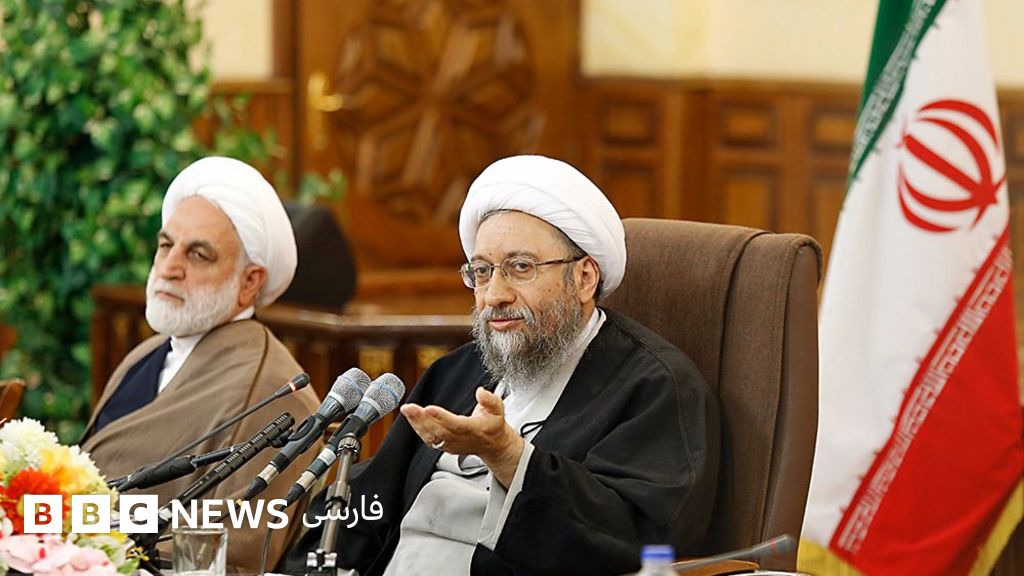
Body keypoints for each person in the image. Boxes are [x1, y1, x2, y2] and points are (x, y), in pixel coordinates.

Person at [284, 155, 720, 576]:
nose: (494, 295)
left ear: (585, 278)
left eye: (520, 267)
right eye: (482, 272)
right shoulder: (456, 373)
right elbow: (372, 498)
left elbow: (635, 540)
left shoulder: (654, 387)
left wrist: (508, 456)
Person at [81, 156, 321, 573]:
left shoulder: (274, 392)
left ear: (250, 281)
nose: (169, 268)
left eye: (198, 254)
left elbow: (235, 557)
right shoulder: (146, 354)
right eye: (166, 245)